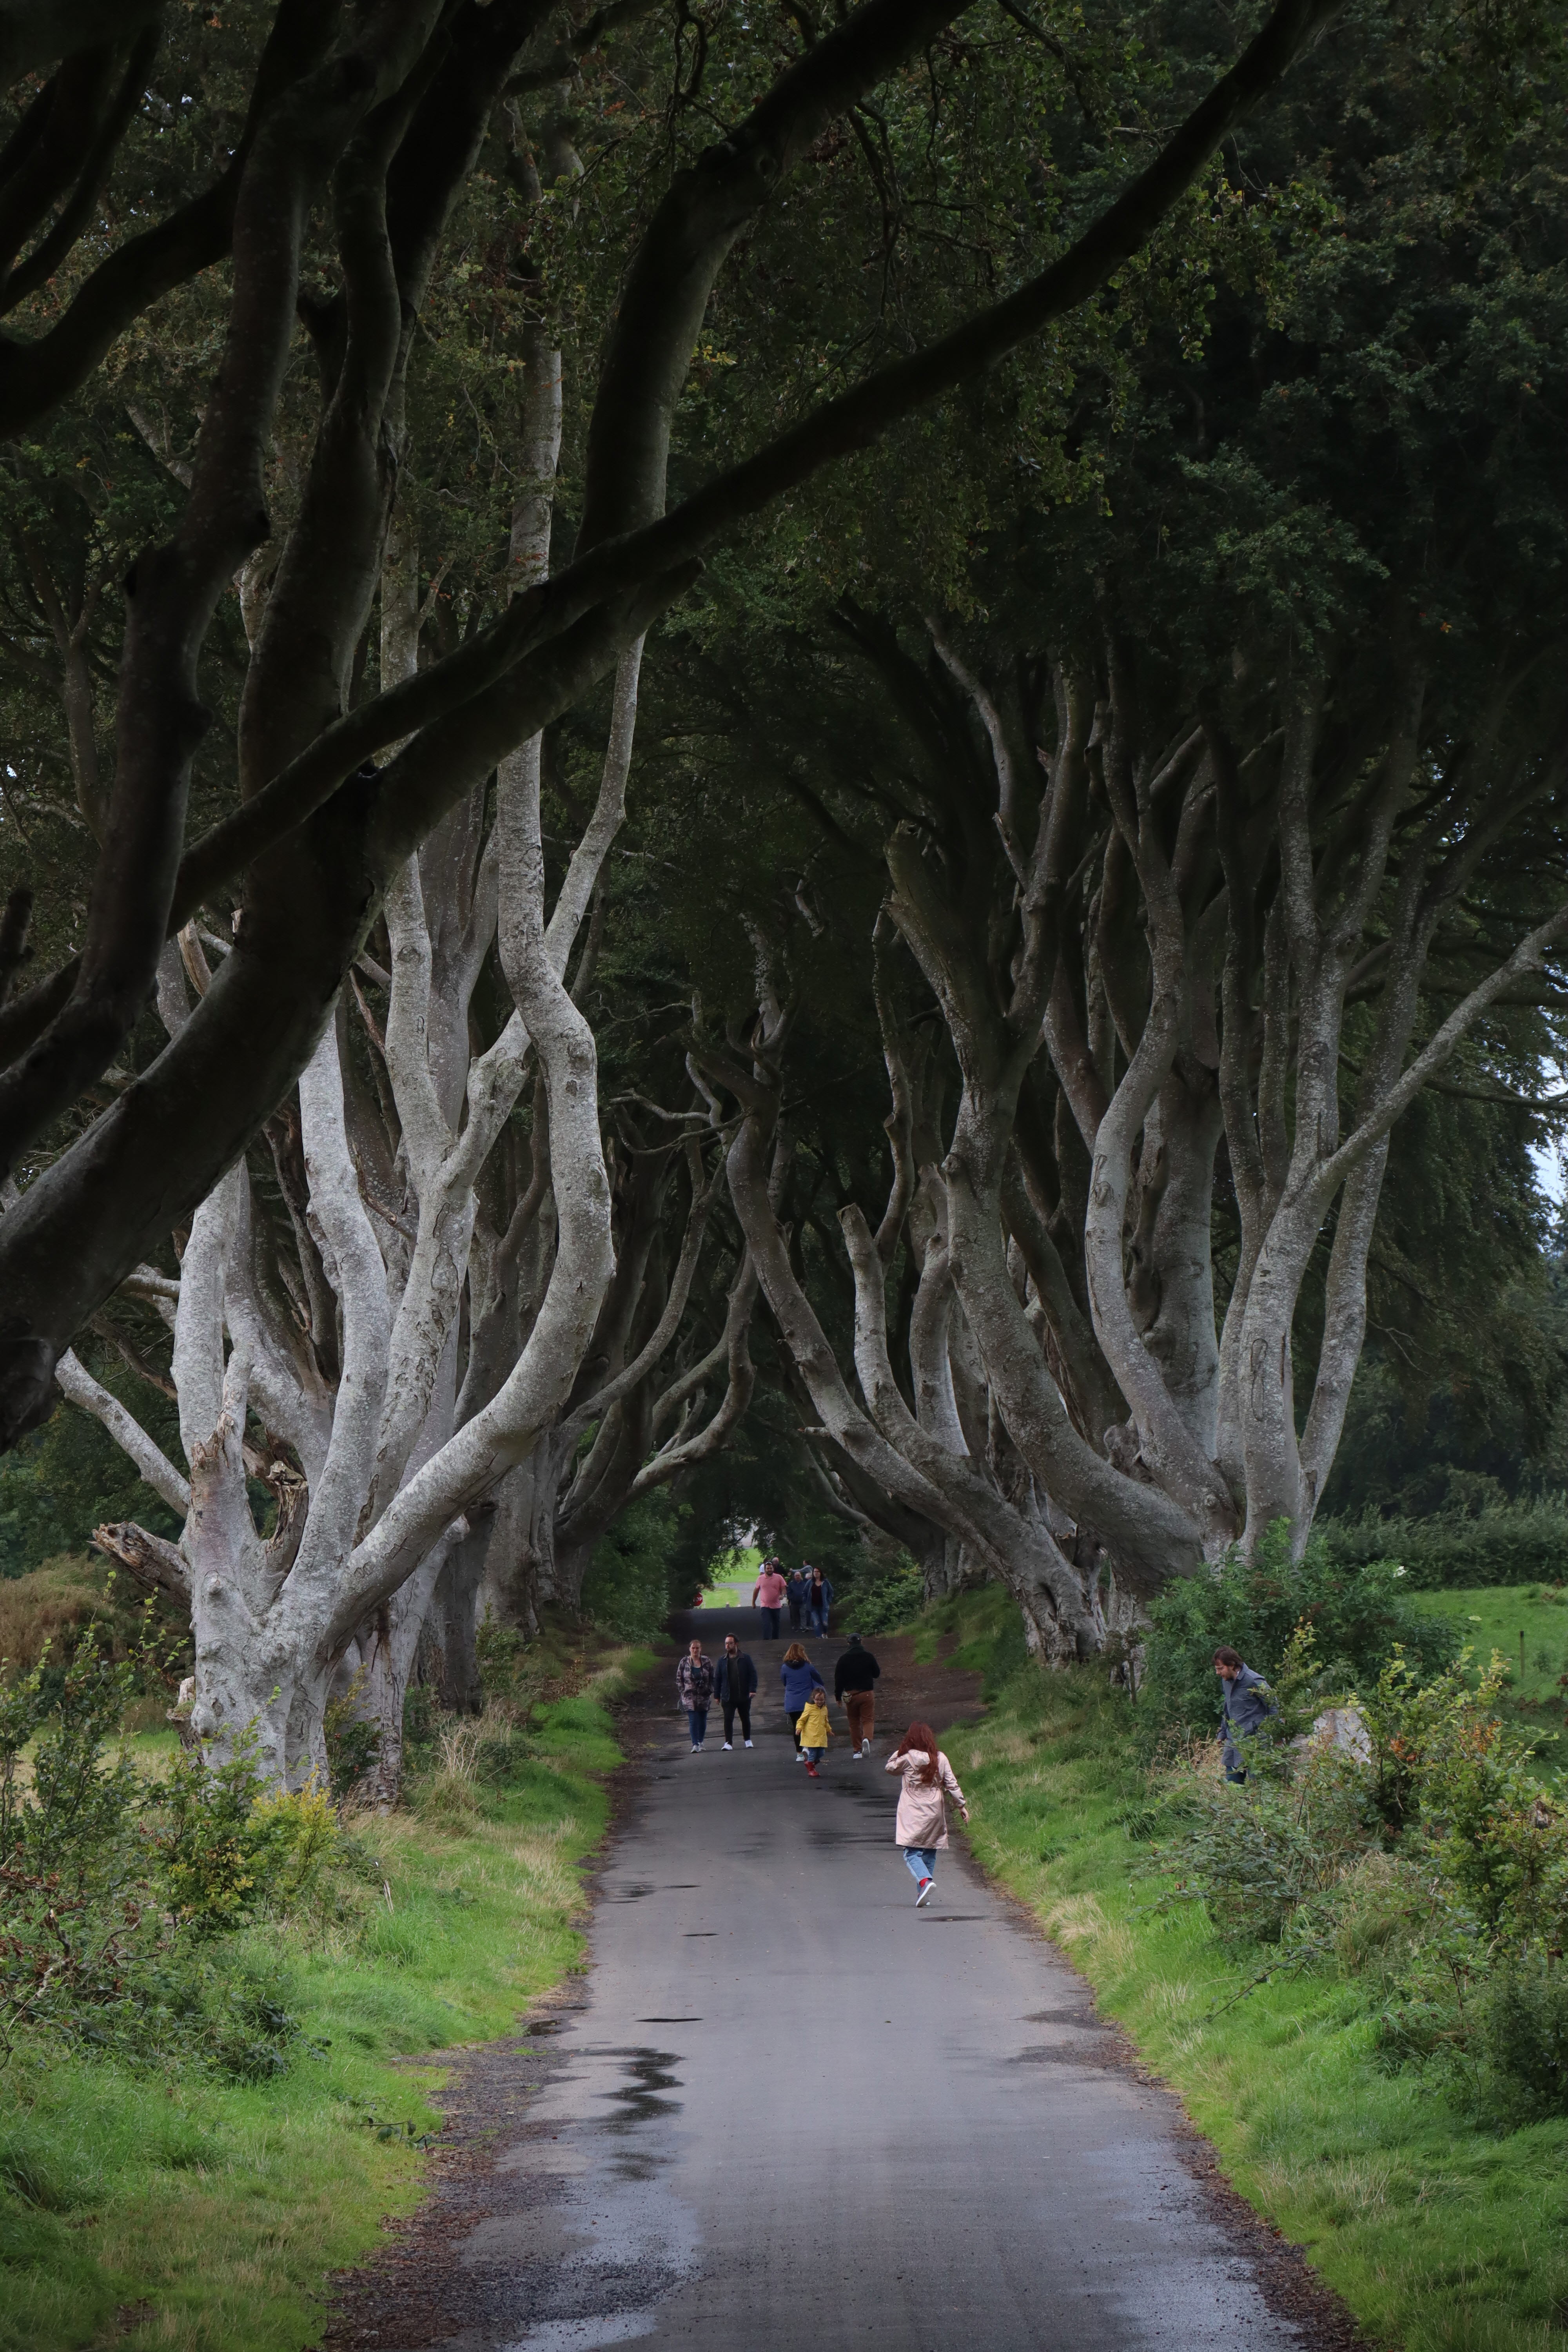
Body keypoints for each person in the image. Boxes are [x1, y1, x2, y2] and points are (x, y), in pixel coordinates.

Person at [886, 1720, 968, 1906]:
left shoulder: (907, 1759)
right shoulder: (940, 1758)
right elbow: (951, 1784)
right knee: (930, 1851)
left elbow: (890, 1767)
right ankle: (923, 1894)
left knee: (911, 1852)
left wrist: (902, 1750)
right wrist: (961, 1805)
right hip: (935, 1808)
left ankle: (924, 1882)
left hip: (913, 1808)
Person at [1214, 1646, 1276, 1783]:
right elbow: (1228, 1709)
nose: (1218, 1673)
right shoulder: (1226, 1682)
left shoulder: (1254, 1680)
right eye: (1216, 1669)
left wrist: (1276, 1733)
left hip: (1256, 1743)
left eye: (1221, 1668)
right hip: (1234, 1743)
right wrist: (1222, 1734)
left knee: (1258, 1786)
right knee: (1233, 1787)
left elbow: (1274, 1705)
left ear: (1232, 1665)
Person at [833, 1633, 881, 1756]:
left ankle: (857, 1751)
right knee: (868, 1720)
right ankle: (867, 1739)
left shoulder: (843, 1659)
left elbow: (839, 1680)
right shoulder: (868, 1656)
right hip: (867, 1694)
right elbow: (877, 1674)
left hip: (851, 1696)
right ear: (861, 1642)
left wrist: (838, 1697)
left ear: (849, 1644)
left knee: (854, 1723)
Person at [713, 1633, 758, 1750]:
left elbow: (753, 1675)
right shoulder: (722, 1660)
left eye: (730, 1643)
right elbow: (717, 1678)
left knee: (745, 1718)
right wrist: (717, 1695)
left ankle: (748, 1740)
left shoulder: (745, 1658)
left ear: (736, 1644)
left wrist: (752, 1690)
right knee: (728, 1719)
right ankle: (728, 1743)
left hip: (743, 1695)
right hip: (728, 1696)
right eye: (726, 1643)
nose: (728, 1646)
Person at [779, 1642, 821, 1759]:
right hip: (807, 1701)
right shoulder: (808, 1666)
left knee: (796, 1727)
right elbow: (818, 1679)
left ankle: (799, 1754)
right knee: (808, 1726)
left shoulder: (785, 1668)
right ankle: (807, 1748)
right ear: (802, 1653)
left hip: (792, 1702)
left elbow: (784, 1682)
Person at [676, 1638, 715, 1753]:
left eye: (697, 1648)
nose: (695, 1650)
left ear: (700, 1649)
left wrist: (710, 1689)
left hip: (704, 1696)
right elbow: (679, 1678)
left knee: (702, 1720)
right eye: (693, 1648)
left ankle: (701, 1741)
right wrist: (683, 1691)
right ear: (690, 1649)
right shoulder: (684, 1662)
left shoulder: (707, 1662)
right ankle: (695, 1744)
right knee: (693, 1720)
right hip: (689, 1697)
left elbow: (713, 1677)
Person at [796, 1686, 831, 1778]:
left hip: (821, 1736)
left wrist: (829, 1730)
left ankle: (810, 1763)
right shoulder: (810, 1708)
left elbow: (826, 1721)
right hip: (811, 1736)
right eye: (817, 1700)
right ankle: (811, 1770)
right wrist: (799, 1728)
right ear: (813, 1699)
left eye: (822, 1700)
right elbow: (802, 1720)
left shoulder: (824, 1709)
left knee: (822, 1753)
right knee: (813, 1753)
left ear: (825, 1699)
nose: (820, 1702)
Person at [751, 1556, 788, 1639]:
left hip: (776, 1606)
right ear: (765, 1570)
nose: (769, 1570)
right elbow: (756, 1591)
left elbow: (784, 1589)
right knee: (766, 1624)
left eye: (771, 1568)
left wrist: (782, 1595)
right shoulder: (761, 1579)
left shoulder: (779, 1577)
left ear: (773, 1569)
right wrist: (753, 1602)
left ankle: (775, 1641)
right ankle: (766, 1641)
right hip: (765, 1606)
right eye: (768, 1569)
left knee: (776, 1625)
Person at [804, 1564, 833, 1639]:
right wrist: (806, 1601)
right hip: (813, 1607)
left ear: (821, 1573)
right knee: (817, 1623)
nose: (816, 1573)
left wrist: (828, 1601)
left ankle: (825, 1634)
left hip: (823, 1607)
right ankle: (818, 1638)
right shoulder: (810, 1582)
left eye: (818, 1572)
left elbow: (831, 1593)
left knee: (825, 1623)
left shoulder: (826, 1582)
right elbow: (805, 1592)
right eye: (815, 1572)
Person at [786, 1566, 808, 1633]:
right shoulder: (791, 1584)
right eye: (796, 1576)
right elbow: (789, 1593)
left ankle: (804, 1627)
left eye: (799, 1575)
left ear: (801, 1576)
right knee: (795, 1615)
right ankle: (796, 1627)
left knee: (803, 1615)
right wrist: (792, 1598)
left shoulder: (804, 1584)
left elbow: (807, 1592)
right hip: (794, 1603)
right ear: (795, 1577)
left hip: (802, 1602)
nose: (798, 1577)